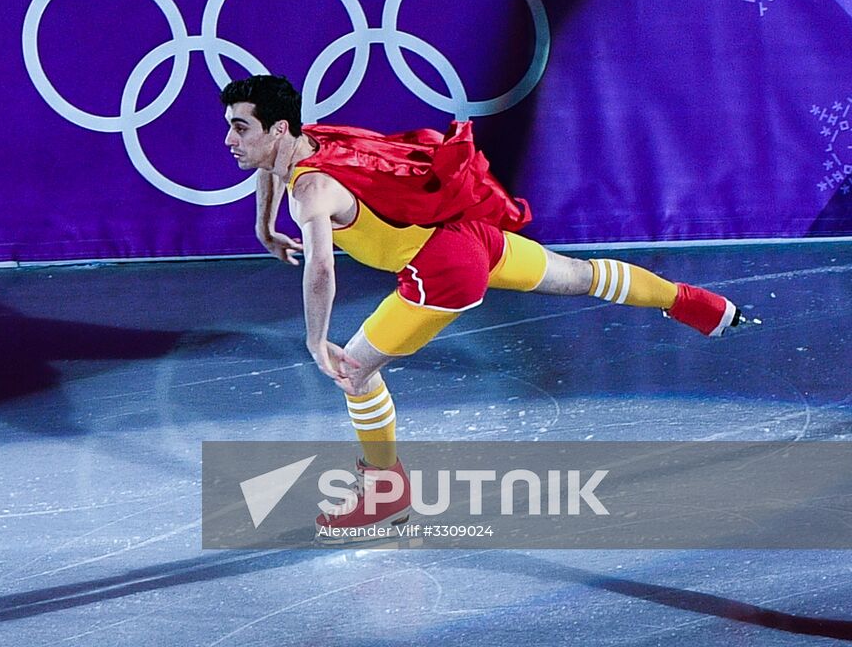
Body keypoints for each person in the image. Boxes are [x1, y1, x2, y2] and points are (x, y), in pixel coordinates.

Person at [219, 75, 747, 541]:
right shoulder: (314, 140)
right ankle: (698, 304)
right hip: (470, 235)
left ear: (279, 129)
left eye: (242, 128)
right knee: (578, 276)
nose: (230, 140)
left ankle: (385, 492)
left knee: (354, 373)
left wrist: (316, 340)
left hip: (443, 272)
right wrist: (264, 227)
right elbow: (274, 168)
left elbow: (321, 271)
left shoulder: (310, 190)